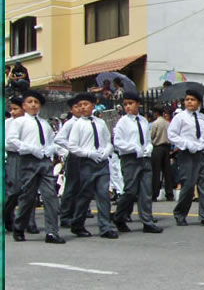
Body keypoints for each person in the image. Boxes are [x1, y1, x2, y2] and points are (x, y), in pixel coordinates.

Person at [5, 90, 65, 243]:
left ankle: (52, 232)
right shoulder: (19, 122)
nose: (33, 104)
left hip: (44, 161)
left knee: (50, 196)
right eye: (30, 102)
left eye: (36, 102)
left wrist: (49, 150)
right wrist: (30, 148)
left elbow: (52, 142)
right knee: (27, 197)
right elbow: (11, 141)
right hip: (28, 160)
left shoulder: (45, 123)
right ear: (24, 105)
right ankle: (19, 226)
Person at [167, 89, 204, 227]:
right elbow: (172, 135)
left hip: (201, 154)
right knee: (189, 185)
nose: (189, 102)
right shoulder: (180, 117)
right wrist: (186, 144)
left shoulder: (203, 118)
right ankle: (180, 213)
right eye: (187, 99)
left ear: (199, 102)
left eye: (192, 99)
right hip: (187, 154)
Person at [67, 92, 117, 238]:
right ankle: (77, 223)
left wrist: (107, 150)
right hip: (86, 163)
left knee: (103, 195)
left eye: (86, 104)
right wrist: (89, 153)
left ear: (93, 105)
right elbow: (73, 146)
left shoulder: (100, 123)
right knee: (85, 195)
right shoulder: (77, 125)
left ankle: (105, 227)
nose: (83, 107)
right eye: (80, 105)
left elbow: (108, 140)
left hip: (101, 162)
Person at [111, 92, 162, 233]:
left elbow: (146, 139)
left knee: (146, 190)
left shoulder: (143, 121)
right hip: (130, 159)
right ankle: (119, 216)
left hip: (144, 158)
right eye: (125, 104)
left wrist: (148, 148)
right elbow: (118, 142)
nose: (128, 107)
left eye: (130, 103)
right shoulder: (122, 122)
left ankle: (147, 221)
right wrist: (133, 148)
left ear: (138, 104)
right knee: (130, 190)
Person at [4, 95, 41, 235]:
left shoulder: (33, 123)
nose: (12, 112)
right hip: (14, 157)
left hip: (30, 157)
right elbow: (7, 143)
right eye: (11, 109)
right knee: (14, 190)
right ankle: (7, 216)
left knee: (29, 190)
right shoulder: (8, 124)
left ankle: (29, 222)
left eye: (15, 109)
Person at [150, 105, 175, 202]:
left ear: (156, 113)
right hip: (166, 147)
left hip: (157, 147)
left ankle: (154, 193)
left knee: (156, 171)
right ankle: (169, 194)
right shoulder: (167, 123)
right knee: (167, 171)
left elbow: (152, 136)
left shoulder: (155, 123)